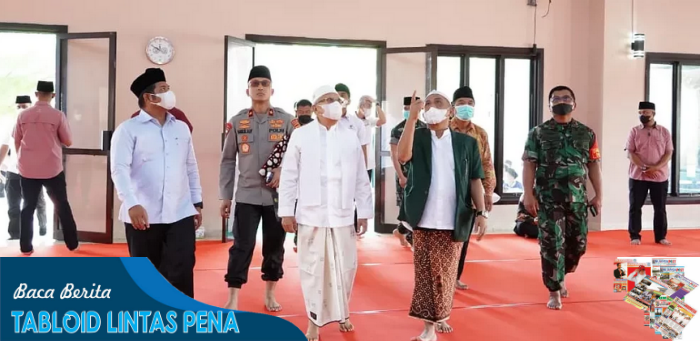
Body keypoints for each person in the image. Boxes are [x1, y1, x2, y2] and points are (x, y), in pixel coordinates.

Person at [278, 85, 372, 341]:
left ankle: (344, 312)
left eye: (338, 100)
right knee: (313, 270)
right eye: (329, 100)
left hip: (342, 214)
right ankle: (314, 321)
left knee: (346, 267)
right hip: (311, 214)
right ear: (317, 107)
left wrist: (363, 211)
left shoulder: (350, 135)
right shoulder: (302, 134)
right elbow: (288, 176)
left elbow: (362, 177)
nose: (335, 103)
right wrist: (287, 211)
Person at [398, 90, 488, 340]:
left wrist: (482, 212)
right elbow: (403, 156)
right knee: (425, 274)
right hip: (423, 216)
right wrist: (412, 119)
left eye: (438, 103)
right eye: (427, 103)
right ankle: (429, 327)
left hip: (453, 217)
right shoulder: (417, 136)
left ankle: (440, 316)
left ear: (451, 112)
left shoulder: (466, 143)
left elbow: (475, 180)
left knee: (445, 274)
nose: (432, 107)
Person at [111, 68, 203, 298]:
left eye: (168, 88)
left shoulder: (181, 128)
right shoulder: (127, 130)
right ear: (148, 97)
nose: (169, 93)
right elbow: (119, 170)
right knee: (147, 275)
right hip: (143, 215)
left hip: (180, 212)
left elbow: (190, 166)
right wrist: (131, 203)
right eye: (163, 89)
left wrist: (197, 202)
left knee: (182, 268)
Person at [219, 65, 298, 312]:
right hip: (246, 195)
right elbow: (228, 160)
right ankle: (232, 297)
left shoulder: (286, 121)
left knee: (274, 246)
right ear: (248, 90)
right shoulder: (237, 122)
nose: (260, 87)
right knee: (241, 246)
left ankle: (270, 294)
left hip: (277, 198)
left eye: (264, 83)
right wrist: (225, 195)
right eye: (255, 83)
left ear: (272, 88)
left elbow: (298, 156)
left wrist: (282, 170)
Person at [522, 85, 603, 310]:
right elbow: (529, 164)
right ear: (549, 105)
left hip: (577, 199)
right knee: (551, 244)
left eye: (566, 97)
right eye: (555, 98)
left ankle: (562, 274)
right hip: (548, 199)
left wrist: (599, 195)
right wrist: (528, 195)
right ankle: (554, 289)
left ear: (574, 103)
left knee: (578, 245)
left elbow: (594, 165)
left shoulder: (586, 133)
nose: (561, 101)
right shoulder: (538, 133)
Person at [13, 81, 78, 255]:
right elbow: (68, 141)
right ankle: (72, 244)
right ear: (53, 95)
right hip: (52, 168)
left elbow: (17, 140)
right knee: (62, 204)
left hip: (28, 169)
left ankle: (26, 247)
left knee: (28, 206)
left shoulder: (22, 115)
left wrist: (22, 160)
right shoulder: (57, 115)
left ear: (36, 94)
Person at [449, 86, 496, 292]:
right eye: (460, 103)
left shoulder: (480, 133)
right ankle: (444, 275)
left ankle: (455, 276)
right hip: (448, 188)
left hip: (470, 191)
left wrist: (487, 193)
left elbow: (486, 164)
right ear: (452, 107)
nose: (465, 107)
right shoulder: (445, 129)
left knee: (463, 236)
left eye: (469, 103)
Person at [625, 101, 673, 246]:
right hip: (638, 176)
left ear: (653, 113)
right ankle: (635, 236)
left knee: (660, 208)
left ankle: (660, 237)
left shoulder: (664, 131)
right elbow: (630, 152)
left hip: (660, 176)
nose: (642, 115)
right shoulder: (634, 131)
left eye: (645, 112)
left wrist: (656, 167)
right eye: (640, 112)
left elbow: (669, 152)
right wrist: (644, 168)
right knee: (635, 206)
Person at [1, 95, 48, 240]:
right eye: (18, 106)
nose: (21, 109)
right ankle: (15, 234)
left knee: (37, 201)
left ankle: (42, 224)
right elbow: (4, 147)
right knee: (13, 205)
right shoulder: (12, 125)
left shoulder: (38, 124)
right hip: (14, 172)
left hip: (33, 171)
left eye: (24, 106)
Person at [390, 96, 425, 248]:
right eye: (405, 108)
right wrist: (401, 176)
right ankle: (410, 238)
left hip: (421, 176)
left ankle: (401, 232)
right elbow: (394, 155)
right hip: (404, 174)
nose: (408, 111)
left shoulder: (425, 127)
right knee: (406, 208)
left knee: (419, 207)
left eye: (410, 108)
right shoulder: (397, 129)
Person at [335, 83, 370, 234]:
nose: (340, 98)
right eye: (337, 95)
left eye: (343, 94)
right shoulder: (324, 122)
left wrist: (364, 172)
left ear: (349, 99)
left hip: (350, 173)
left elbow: (362, 152)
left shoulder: (356, 123)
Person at [356, 95, 387, 179]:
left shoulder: (369, 120)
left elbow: (383, 120)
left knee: (365, 189)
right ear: (360, 105)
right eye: (367, 105)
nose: (369, 108)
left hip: (368, 163)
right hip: (355, 161)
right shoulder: (352, 119)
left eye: (370, 106)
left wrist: (377, 105)